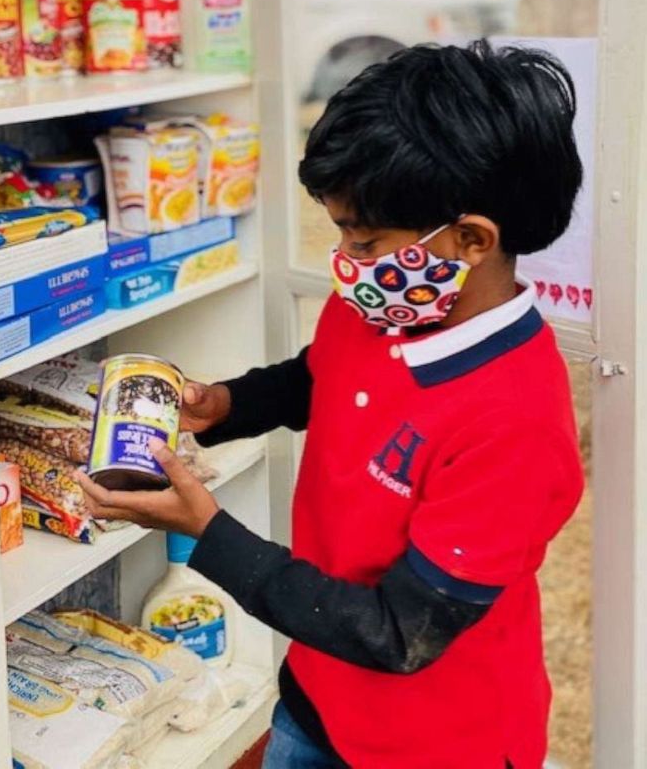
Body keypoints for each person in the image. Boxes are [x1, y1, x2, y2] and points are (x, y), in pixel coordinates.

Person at [77, 40, 585, 769]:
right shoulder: (384, 305)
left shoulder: (517, 422)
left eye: (365, 236)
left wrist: (208, 534)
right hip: (318, 695)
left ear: (472, 239)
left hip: (437, 742)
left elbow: (397, 633)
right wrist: (224, 405)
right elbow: (320, 377)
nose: (345, 257)